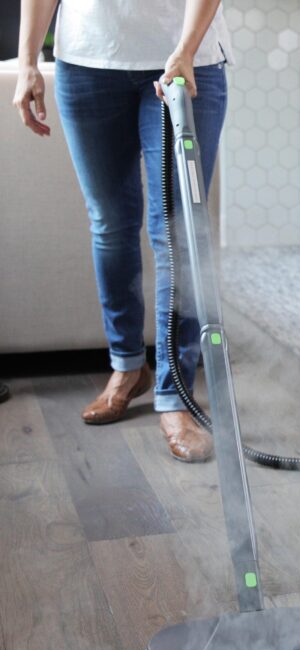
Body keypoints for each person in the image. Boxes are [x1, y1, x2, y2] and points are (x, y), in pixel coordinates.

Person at [13, 0, 234, 461]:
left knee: (176, 233)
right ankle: (127, 367)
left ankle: (177, 395)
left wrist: (187, 48)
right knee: (110, 226)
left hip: (184, 59)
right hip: (88, 62)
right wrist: (28, 61)